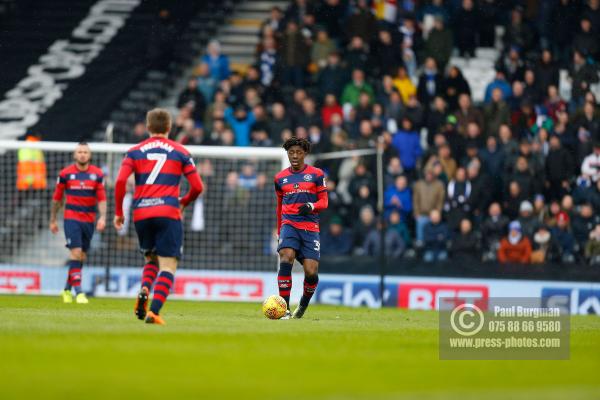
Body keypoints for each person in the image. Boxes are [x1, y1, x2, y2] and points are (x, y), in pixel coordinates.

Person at [114, 109, 204, 325]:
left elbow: (120, 182)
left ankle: (145, 288)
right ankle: (154, 312)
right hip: (167, 212)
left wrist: (118, 212)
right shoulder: (180, 152)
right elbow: (198, 187)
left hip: (142, 212)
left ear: (148, 127)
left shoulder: (134, 152)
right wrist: (183, 202)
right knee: (168, 265)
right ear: (169, 127)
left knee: (151, 258)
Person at [274, 137, 328, 319]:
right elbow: (279, 205)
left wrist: (312, 206)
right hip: (289, 224)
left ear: (305, 153)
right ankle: (284, 309)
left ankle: (303, 305)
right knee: (286, 256)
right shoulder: (280, 178)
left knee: (311, 272)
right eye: (291, 152)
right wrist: (278, 228)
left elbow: (324, 202)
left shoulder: (317, 174)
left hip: (310, 228)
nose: (294, 156)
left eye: (298, 152)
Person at [50, 143, 107, 304]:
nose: (82, 154)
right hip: (71, 218)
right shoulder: (65, 174)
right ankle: (79, 292)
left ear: (90, 155)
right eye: (79, 152)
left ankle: (67, 289)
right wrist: (53, 219)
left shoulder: (97, 174)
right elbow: (57, 198)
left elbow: (102, 199)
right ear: (75, 155)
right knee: (75, 253)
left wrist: (102, 217)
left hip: (89, 220)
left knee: (81, 256)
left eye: (85, 152)